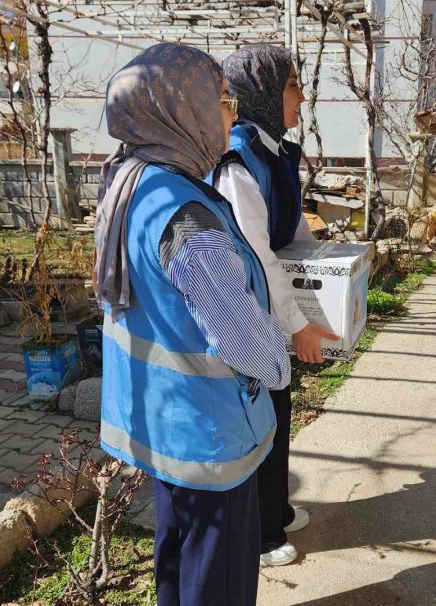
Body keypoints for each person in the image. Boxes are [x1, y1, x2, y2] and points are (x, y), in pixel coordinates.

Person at [93, 43, 290, 605]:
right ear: (182, 111)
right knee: (218, 581)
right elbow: (239, 337)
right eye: (221, 101)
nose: (231, 115)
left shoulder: (131, 182)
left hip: (164, 424)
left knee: (179, 568)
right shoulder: (186, 214)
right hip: (209, 439)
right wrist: (279, 358)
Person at [214, 45, 338, 567]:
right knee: (261, 423)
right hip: (251, 318)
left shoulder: (274, 150)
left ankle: (277, 511)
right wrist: (299, 324)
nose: (301, 97)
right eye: (292, 85)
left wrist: (334, 267)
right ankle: (262, 536)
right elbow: (255, 255)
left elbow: (292, 229)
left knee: (280, 414)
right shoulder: (241, 159)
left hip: (276, 312)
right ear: (263, 91)